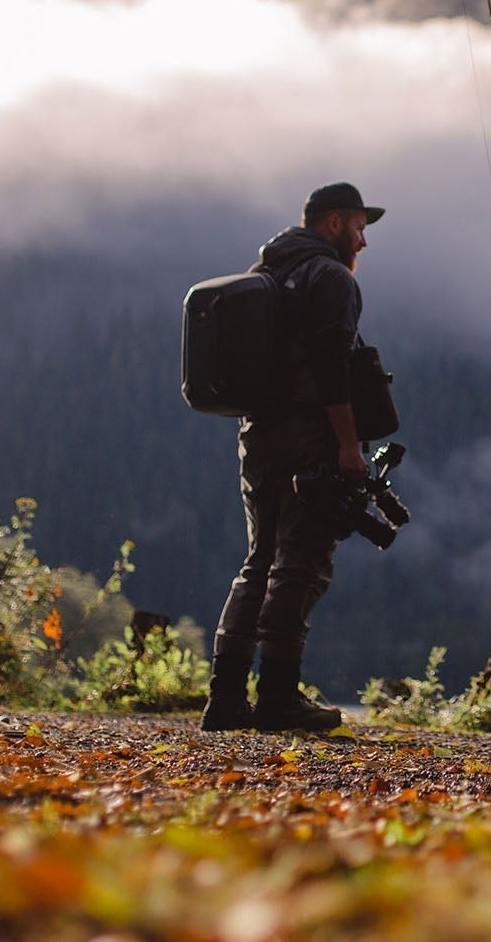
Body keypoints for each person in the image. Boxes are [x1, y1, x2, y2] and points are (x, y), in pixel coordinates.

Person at [203, 182, 385, 733]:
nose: (363, 241)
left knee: (259, 560)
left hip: (257, 433)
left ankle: (226, 696)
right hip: (310, 433)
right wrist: (350, 445)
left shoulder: (263, 273)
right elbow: (333, 367)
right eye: (358, 227)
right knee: (300, 562)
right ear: (332, 223)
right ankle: (279, 697)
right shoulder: (328, 277)